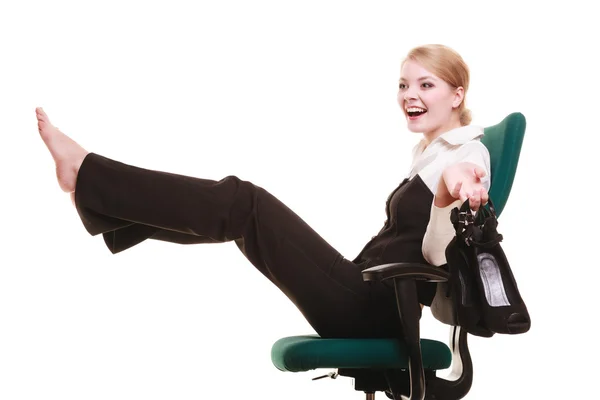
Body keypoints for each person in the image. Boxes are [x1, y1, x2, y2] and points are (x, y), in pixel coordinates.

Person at [35, 44, 490, 339]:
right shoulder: (428, 153)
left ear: (456, 95)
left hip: (375, 310)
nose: (409, 94)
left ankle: (89, 180)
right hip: (364, 288)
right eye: (404, 84)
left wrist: (452, 191)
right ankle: (109, 211)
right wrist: (443, 187)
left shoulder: (467, 153)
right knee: (240, 218)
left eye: (425, 84)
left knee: (243, 201)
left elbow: (437, 253)